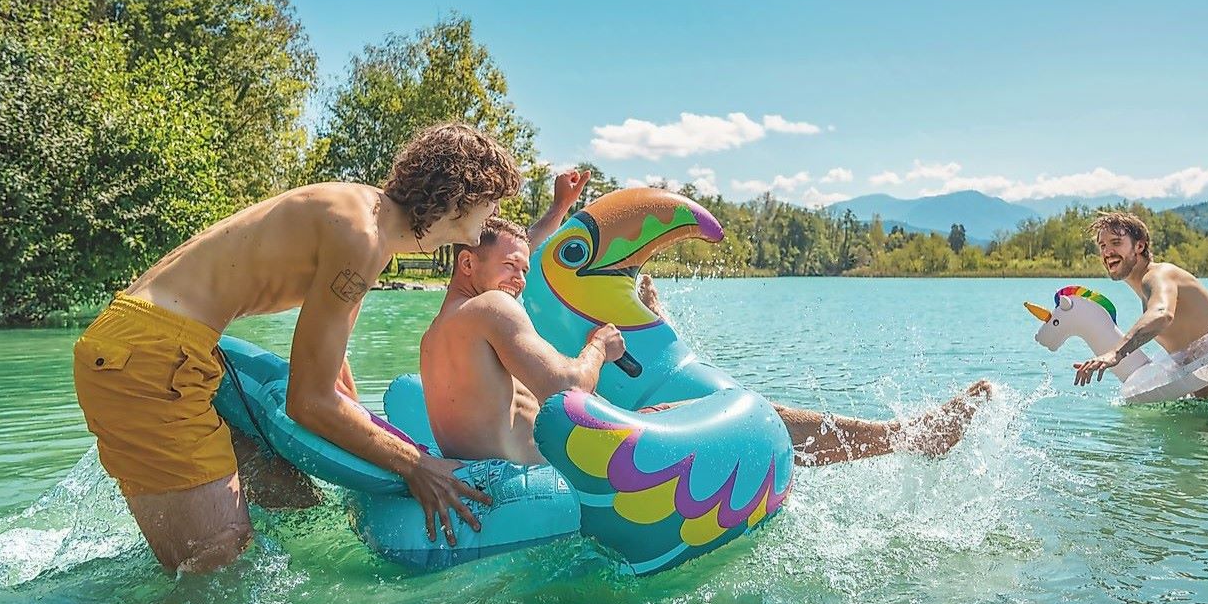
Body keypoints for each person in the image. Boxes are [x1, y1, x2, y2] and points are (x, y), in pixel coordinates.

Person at [73, 123, 520, 574]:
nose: (494, 213)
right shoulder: (361, 238)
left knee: (292, 499)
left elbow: (334, 369)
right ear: (462, 197)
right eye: (492, 201)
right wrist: (416, 465)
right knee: (220, 566)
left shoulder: (369, 220)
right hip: (153, 358)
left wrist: (373, 442)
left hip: (158, 346)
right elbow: (309, 402)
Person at [420, 170, 992, 470]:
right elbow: (568, 387)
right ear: (468, 263)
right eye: (512, 270)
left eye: (525, 270)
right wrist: (598, 345)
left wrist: (558, 209)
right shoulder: (493, 309)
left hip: (484, 468)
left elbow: (531, 254)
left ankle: (896, 440)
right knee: (748, 418)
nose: (523, 278)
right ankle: (905, 439)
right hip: (547, 477)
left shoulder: (442, 331)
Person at [1071, 211, 1208, 412]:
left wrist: (1115, 354)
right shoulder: (1147, 290)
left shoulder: (1159, 275)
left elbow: (1162, 314)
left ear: (1139, 246)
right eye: (1102, 245)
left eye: (1116, 243)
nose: (1107, 252)